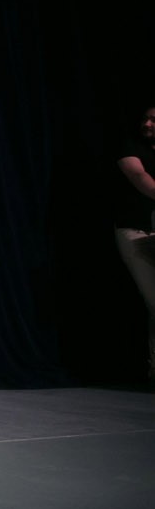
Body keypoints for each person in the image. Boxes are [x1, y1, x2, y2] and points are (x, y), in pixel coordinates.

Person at [114, 104, 155, 379]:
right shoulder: (130, 148)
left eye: (154, 120)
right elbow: (139, 177)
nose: (147, 124)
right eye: (145, 119)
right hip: (136, 233)